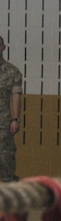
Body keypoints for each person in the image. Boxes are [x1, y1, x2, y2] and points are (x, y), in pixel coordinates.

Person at [0, 35, 23, 183]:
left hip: (3, 121)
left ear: (3, 47)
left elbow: (16, 96)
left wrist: (15, 119)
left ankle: (11, 195)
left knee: (6, 156)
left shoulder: (12, 72)